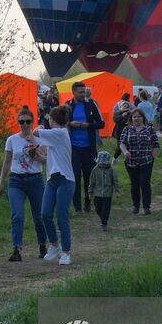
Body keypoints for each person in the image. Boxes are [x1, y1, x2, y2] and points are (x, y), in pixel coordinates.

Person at [0, 106, 46, 262]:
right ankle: (16, 249)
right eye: (21, 121)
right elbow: (7, 162)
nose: (24, 125)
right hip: (16, 180)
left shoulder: (39, 138)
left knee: (39, 216)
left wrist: (34, 143)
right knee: (17, 214)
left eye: (28, 121)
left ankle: (42, 245)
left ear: (32, 122)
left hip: (35, 179)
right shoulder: (12, 140)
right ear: (18, 122)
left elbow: (45, 160)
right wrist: (1, 182)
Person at [36, 106, 76, 265]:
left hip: (66, 180)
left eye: (49, 119)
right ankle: (54, 245)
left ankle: (66, 252)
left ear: (52, 120)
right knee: (45, 214)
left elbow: (35, 133)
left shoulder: (60, 133)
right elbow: (46, 151)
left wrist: (39, 126)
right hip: (52, 179)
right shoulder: (55, 136)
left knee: (61, 216)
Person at [66, 81, 105, 214]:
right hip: (73, 148)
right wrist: (70, 124)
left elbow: (101, 123)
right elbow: (59, 123)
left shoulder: (91, 104)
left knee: (89, 176)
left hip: (89, 147)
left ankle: (88, 203)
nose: (83, 94)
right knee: (75, 177)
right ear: (73, 92)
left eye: (84, 92)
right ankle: (77, 207)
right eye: (80, 92)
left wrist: (88, 125)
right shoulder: (67, 106)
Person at [118, 107, 158, 215]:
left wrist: (153, 156)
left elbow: (155, 144)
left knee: (145, 182)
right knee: (134, 184)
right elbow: (121, 143)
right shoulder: (127, 129)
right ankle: (136, 206)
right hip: (131, 162)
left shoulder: (149, 129)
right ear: (131, 118)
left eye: (138, 117)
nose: (136, 119)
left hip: (146, 161)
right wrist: (125, 151)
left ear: (142, 118)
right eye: (134, 117)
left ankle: (146, 207)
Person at [88, 151, 119, 231]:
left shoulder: (111, 170)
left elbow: (115, 181)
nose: (102, 165)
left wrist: (117, 191)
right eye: (101, 164)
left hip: (107, 194)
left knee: (105, 210)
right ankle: (102, 216)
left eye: (104, 164)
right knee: (98, 209)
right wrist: (90, 192)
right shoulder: (95, 170)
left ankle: (104, 224)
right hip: (97, 193)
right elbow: (92, 182)